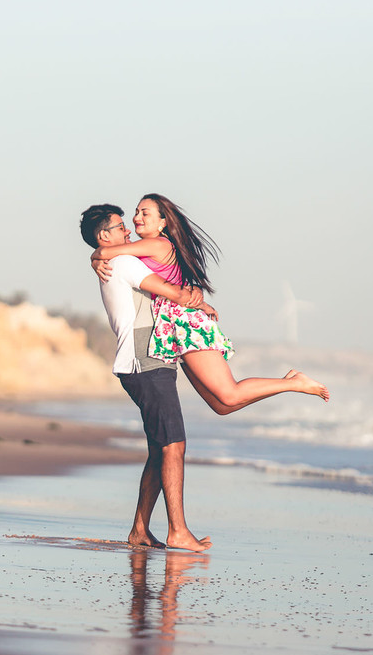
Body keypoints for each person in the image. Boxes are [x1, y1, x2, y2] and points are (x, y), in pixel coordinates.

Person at [92, 194, 329, 415]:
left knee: (229, 394)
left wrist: (95, 259)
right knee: (221, 406)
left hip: (185, 324)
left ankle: (294, 383)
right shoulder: (148, 248)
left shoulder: (157, 244)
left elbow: (107, 251)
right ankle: (289, 383)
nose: (136, 218)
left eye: (145, 213)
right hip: (173, 327)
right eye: (136, 212)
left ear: (162, 222)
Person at [80, 203, 212, 552]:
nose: (128, 231)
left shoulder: (113, 259)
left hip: (149, 361)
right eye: (120, 227)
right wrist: (198, 300)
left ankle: (140, 529)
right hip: (145, 362)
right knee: (174, 445)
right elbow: (172, 293)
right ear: (104, 236)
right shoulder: (123, 262)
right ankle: (178, 530)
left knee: (159, 449)